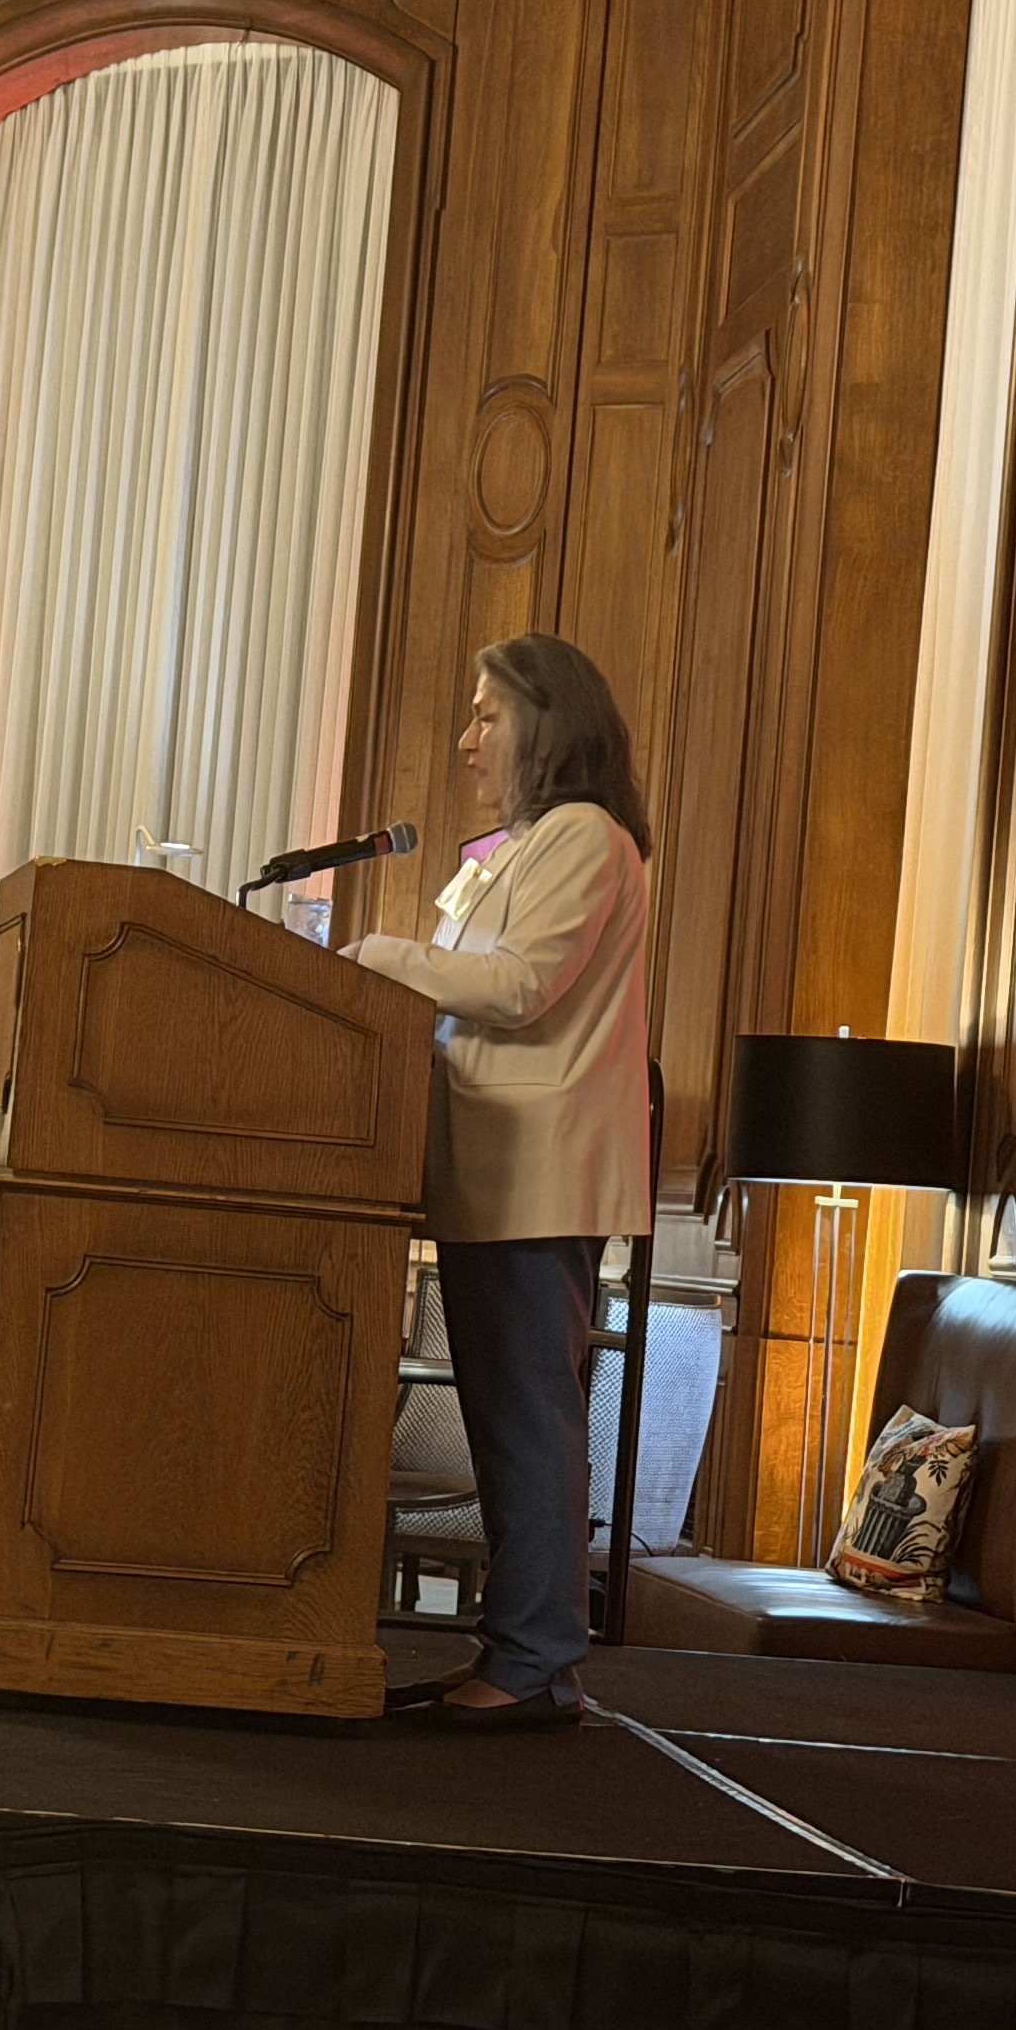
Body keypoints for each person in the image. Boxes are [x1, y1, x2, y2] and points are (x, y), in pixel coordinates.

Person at [346, 632, 655, 1730]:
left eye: (486, 714)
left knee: (528, 1419)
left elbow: (520, 987)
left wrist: (380, 957)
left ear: (545, 723)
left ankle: (534, 1666)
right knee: (508, 1414)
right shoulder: (515, 847)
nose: (467, 737)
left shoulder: (583, 836)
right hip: (491, 1169)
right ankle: (523, 1654)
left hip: (538, 1172)